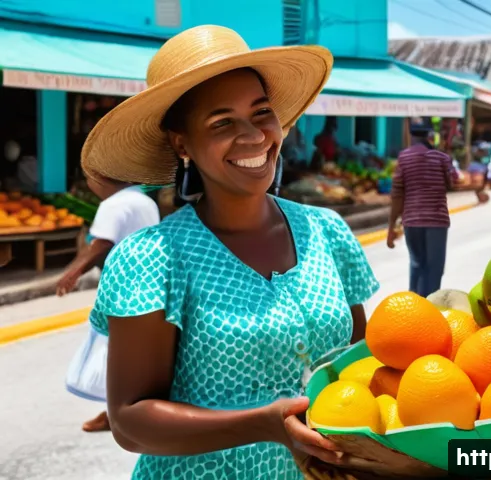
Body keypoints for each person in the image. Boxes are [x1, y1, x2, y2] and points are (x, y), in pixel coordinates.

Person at [79, 25, 380, 479]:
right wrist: (264, 424)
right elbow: (130, 421)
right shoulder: (151, 259)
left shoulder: (328, 231)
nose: (255, 137)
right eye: (222, 123)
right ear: (182, 144)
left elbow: (361, 363)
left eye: (261, 113)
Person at [60, 174, 161, 432]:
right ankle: (125, 409)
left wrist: (73, 272)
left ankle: (118, 413)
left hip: (121, 287)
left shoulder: (113, 205)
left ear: (99, 179)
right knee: (136, 349)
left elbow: (100, 245)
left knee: (114, 349)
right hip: (150, 282)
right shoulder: (144, 201)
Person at [387, 117, 458, 298]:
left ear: (411, 135)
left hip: (411, 220)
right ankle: (430, 308)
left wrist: (391, 227)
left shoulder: (404, 157)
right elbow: (454, 183)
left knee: (417, 264)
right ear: (429, 135)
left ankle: (415, 306)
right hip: (437, 220)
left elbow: (397, 194)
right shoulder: (441, 157)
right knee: (434, 268)